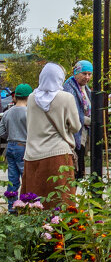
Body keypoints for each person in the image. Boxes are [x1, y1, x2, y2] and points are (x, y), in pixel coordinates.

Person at [23, 64, 81, 206]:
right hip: (58, 154)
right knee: (62, 202)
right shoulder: (66, 97)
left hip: (32, 156)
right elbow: (75, 126)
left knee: (33, 204)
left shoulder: (31, 98)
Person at [0, 84, 31, 210]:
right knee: (27, 177)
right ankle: (27, 205)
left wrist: (10, 134)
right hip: (24, 146)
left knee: (12, 179)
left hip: (10, 146)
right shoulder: (29, 113)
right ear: (29, 97)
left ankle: (11, 207)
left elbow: (1, 132)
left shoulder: (7, 112)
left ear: (15, 96)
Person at [62, 60, 92, 179]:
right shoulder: (69, 88)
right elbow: (71, 113)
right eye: (84, 73)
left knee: (81, 162)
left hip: (83, 129)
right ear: (76, 72)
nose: (87, 77)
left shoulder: (84, 87)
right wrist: (90, 121)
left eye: (90, 74)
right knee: (76, 165)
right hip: (74, 131)